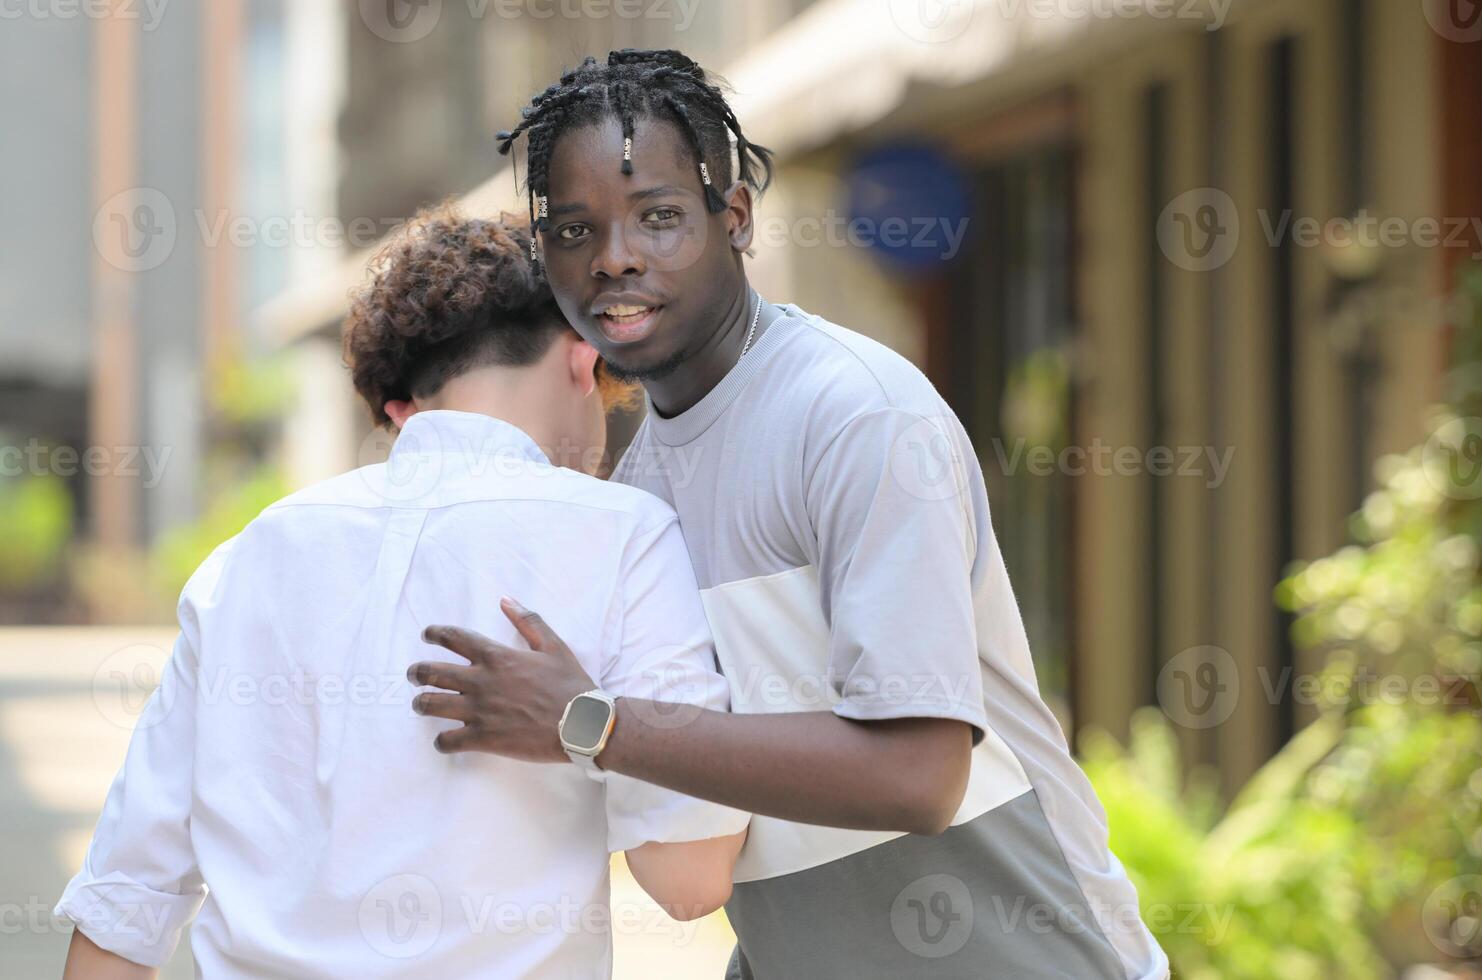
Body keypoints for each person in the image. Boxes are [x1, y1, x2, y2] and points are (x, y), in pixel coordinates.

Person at [407, 50, 1171, 979]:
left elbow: (919, 776)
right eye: (574, 230)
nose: (615, 257)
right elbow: (735, 817)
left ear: (734, 219)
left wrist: (592, 724)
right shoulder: (636, 494)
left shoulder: (856, 415)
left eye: (658, 216)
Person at [56, 205, 748, 979]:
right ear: (583, 361)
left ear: (406, 405)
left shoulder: (250, 556)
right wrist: (591, 726)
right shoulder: (626, 536)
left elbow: (127, 900)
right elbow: (689, 879)